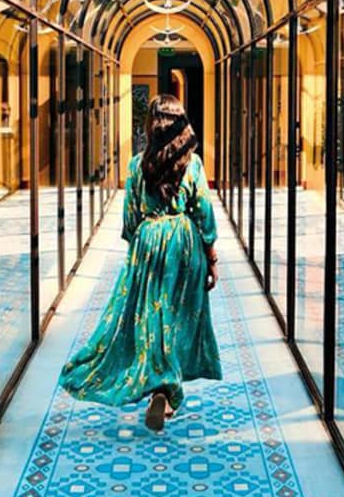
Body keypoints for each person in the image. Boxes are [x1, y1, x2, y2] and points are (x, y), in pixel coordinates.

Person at [60, 94, 222, 431]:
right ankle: (167, 386)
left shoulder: (137, 165)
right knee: (176, 316)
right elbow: (203, 212)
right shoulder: (192, 163)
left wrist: (141, 248)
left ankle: (158, 384)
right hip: (184, 242)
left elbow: (131, 218)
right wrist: (210, 256)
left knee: (151, 314)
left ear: (152, 125)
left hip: (149, 241)